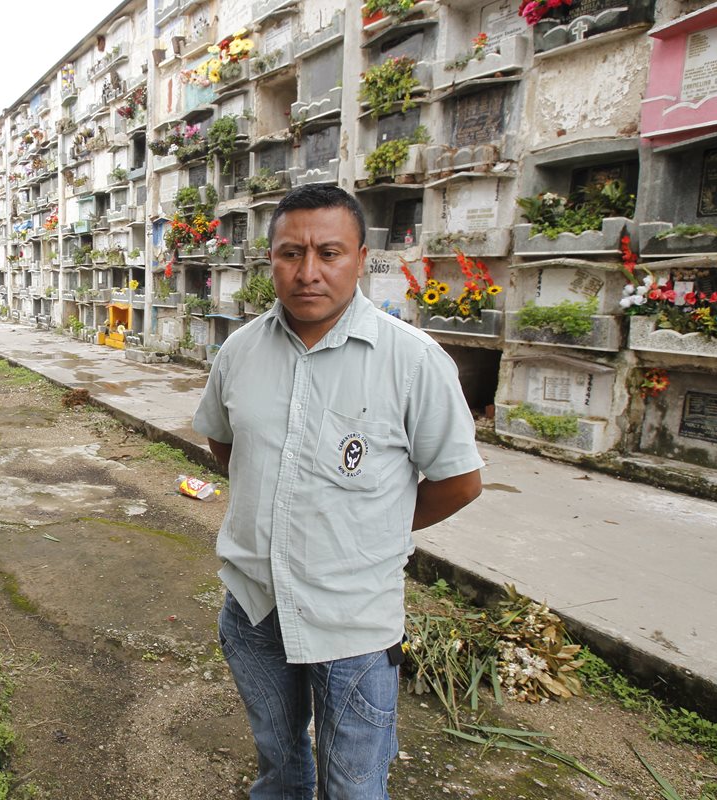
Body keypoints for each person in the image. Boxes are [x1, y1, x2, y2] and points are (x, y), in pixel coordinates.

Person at [193, 184, 483, 799]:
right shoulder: (239, 352)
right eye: (290, 253)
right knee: (280, 765)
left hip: (354, 617)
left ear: (359, 259)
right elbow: (226, 446)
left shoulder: (412, 361)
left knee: (354, 785)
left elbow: (459, 481)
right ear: (269, 258)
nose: (308, 272)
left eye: (329, 252)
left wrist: (375, 530)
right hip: (256, 606)